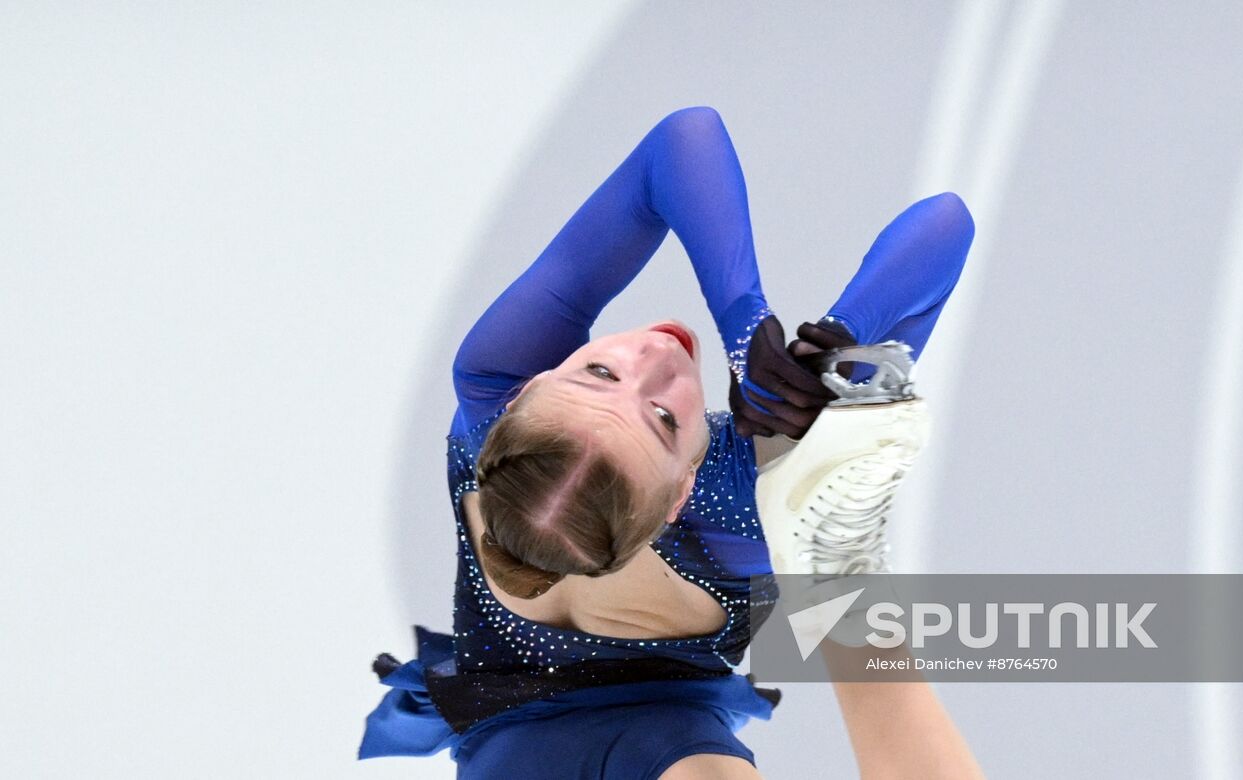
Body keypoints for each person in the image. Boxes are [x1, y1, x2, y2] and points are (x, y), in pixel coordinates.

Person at [359, 106, 978, 778]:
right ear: (682, 491)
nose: (654, 356)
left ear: (523, 396)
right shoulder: (754, 497)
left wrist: (751, 332)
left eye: (601, 371)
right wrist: (835, 344)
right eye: (661, 416)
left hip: (519, 734)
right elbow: (945, 226)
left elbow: (683, 140)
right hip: (666, 729)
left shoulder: (495, 382)